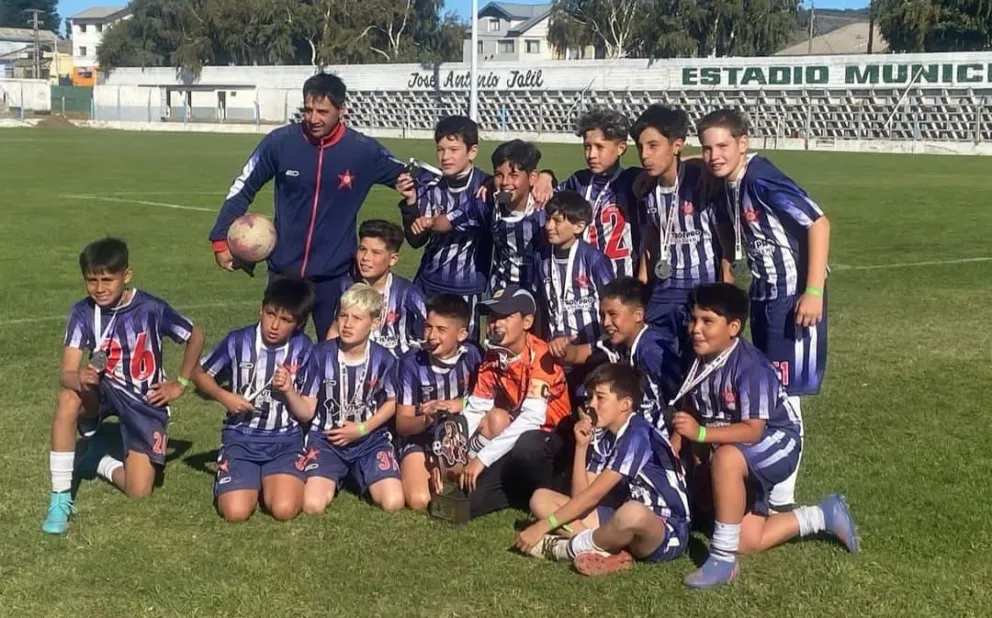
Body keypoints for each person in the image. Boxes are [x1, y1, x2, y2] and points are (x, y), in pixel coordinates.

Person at [670, 283, 857, 589]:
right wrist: (679, 445)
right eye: (693, 320)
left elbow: (753, 430)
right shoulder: (698, 356)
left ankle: (722, 559)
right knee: (748, 540)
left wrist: (701, 433)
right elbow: (692, 404)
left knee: (727, 458)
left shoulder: (750, 366)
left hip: (777, 440)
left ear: (733, 328)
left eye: (707, 322)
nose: (695, 329)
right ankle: (822, 515)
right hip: (739, 445)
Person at [697, 108, 831, 511]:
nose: (714, 155)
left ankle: (783, 499)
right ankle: (770, 484)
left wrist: (813, 291)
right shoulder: (732, 180)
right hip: (765, 296)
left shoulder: (760, 177)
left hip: (793, 300)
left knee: (788, 397)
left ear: (744, 143)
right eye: (707, 148)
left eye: (723, 146)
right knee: (769, 389)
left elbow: (819, 223)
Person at [209, 73, 408, 340]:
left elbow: (409, 177)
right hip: (284, 273)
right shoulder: (280, 143)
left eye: (323, 111)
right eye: (308, 110)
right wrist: (220, 239)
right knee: (277, 347)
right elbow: (243, 185)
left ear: (341, 110)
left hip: (335, 276)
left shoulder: (362, 151)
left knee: (338, 352)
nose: (314, 118)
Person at [43, 238, 204, 534]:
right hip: (101, 392)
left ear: (126, 275)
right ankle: (60, 498)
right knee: (68, 398)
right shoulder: (82, 313)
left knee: (139, 490)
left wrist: (179, 384)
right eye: (92, 280)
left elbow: (195, 335)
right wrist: (78, 378)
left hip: (144, 401)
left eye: (107, 279)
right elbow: (66, 373)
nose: (99, 288)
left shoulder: (152, 308)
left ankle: (96, 457)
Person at [515, 363, 690, 576]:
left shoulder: (638, 434)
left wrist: (543, 526)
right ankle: (606, 552)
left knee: (632, 513)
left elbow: (592, 496)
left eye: (600, 397)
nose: (591, 405)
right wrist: (581, 447)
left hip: (664, 529)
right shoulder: (605, 435)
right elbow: (582, 496)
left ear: (625, 404)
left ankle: (566, 549)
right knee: (540, 499)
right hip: (619, 521)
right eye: (590, 397)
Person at [193, 278, 315, 522]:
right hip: (241, 438)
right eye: (270, 314)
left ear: (298, 324)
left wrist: (289, 390)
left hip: (285, 440)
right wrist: (223, 396)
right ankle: (245, 477)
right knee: (235, 513)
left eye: (286, 320)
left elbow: (306, 414)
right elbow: (199, 373)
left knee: (284, 509)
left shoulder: (304, 348)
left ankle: (269, 480)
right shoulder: (238, 341)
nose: (274, 325)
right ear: (261, 309)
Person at [277, 284, 404, 514]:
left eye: (357, 318)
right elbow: (306, 410)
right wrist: (288, 390)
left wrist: (362, 429)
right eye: (343, 316)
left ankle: (359, 472)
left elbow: (392, 401)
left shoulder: (385, 359)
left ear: (374, 323)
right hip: (327, 440)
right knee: (312, 505)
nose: (347, 324)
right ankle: (340, 473)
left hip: (370, 440)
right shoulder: (319, 355)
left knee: (393, 502)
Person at [458, 286, 572, 519]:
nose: (495, 323)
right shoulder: (494, 355)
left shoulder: (542, 357)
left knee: (528, 445)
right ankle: (517, 492)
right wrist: (458, 450)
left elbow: (533, 419)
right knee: (466, 503)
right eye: (492, 317)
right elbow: (478, 407)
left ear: (527, 321)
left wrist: (481, 459)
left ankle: (545, 494)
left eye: (504, 316)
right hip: (516, 434)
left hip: (551, 439)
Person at [631, 105, 725, 356]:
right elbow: (650, 242)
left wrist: (725, 292)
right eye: (640, 147)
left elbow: (725, 242)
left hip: (700, 291)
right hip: (662, 293)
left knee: (696, 363)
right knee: (653, 358)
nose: (645, 155)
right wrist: (642, 285)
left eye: (653, 146)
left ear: (676, 145)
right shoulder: (646, 189)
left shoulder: (702, 182)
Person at [397, 115, 492, 340]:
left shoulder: (485, 187)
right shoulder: (431, 185)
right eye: (440, 149)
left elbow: (445, 224)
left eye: (453, 149)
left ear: (472, 152)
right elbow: (416, 240)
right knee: (420, 345)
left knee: (463, 353)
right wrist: (411, 202)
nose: (445, 156)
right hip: (428, 283)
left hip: (468, 288)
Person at [394, 294, 483, 510]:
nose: (431, 336)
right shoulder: (411, 363)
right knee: (418, 500)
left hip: (459, 437)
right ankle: (425, 468)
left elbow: (489, 400)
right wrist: (427, 417)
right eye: (428, 327)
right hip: (419, 438)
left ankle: (452, 469)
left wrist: (461, 404)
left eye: (441, 330)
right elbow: (402, 424)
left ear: (462, 334)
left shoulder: (474, 355)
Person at [558, 278, 682, 433]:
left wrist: (675, 443)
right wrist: (559, 349)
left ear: (638, 315)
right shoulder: (615, 343)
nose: (606, 322)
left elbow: (681, 397)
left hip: (655, 439)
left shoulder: (653, 351)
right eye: (602, 315)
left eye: (613, 314)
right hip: (632, 435)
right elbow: (578, 354)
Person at [548, 109, 641, 278]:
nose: (591, 155)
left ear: (621, 148)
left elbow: (671, 168)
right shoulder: (578, 181)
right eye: (587, 147)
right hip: (584, 278)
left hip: (621, 278)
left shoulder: (633, 180)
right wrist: (546, 175)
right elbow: (551, 195)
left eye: (600, 147)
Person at [325, 219, 426, 357]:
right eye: (362, 249)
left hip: (398, 368)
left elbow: (430, 327)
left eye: (376, 253)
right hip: (358, 365)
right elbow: (336, 328)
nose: (366, 257)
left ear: (393, 259)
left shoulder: (407, 292)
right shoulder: (347, 287)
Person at [536, 191, 615, 358]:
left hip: (592, 352)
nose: (549, 226)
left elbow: (613, 301)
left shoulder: (594, 260)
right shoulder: (541, 258)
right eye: (548, 219)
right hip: (555, 349)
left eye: (557, 221)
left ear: (579, 226)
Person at [488, 139, 548, 295]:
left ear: (533, 177)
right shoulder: (489, 204)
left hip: (539, 294)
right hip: (501, 291)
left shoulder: (546, 208)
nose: (505, 182)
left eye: (513, 175)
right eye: (499, 175)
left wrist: (548, 176)